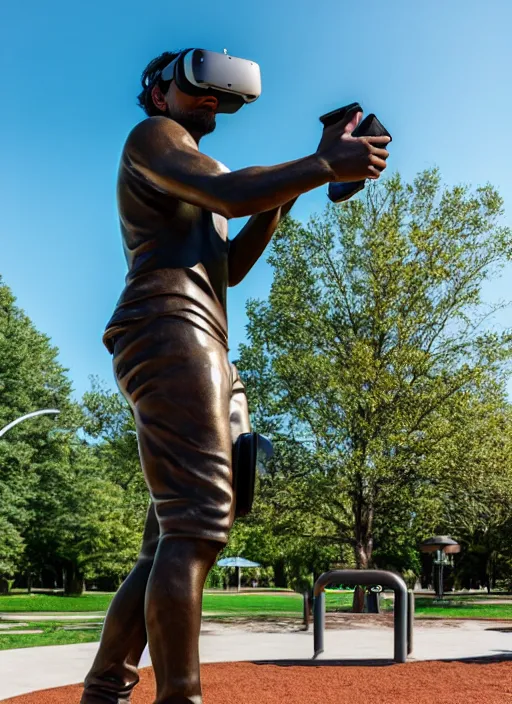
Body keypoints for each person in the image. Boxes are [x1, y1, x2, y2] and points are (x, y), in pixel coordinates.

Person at [80, 48, 390, 704]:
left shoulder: (195, 172)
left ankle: (105, 689)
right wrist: (318, 165)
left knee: (174, 530)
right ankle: (179, 698)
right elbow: (229, 190)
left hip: (199, 337)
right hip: (171, 326)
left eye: (217, 94)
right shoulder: (155, 137)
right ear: (159, 94)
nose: (208, 98)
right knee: (196, 524)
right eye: (193, 87)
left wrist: (299, 182)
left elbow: (231, 267)